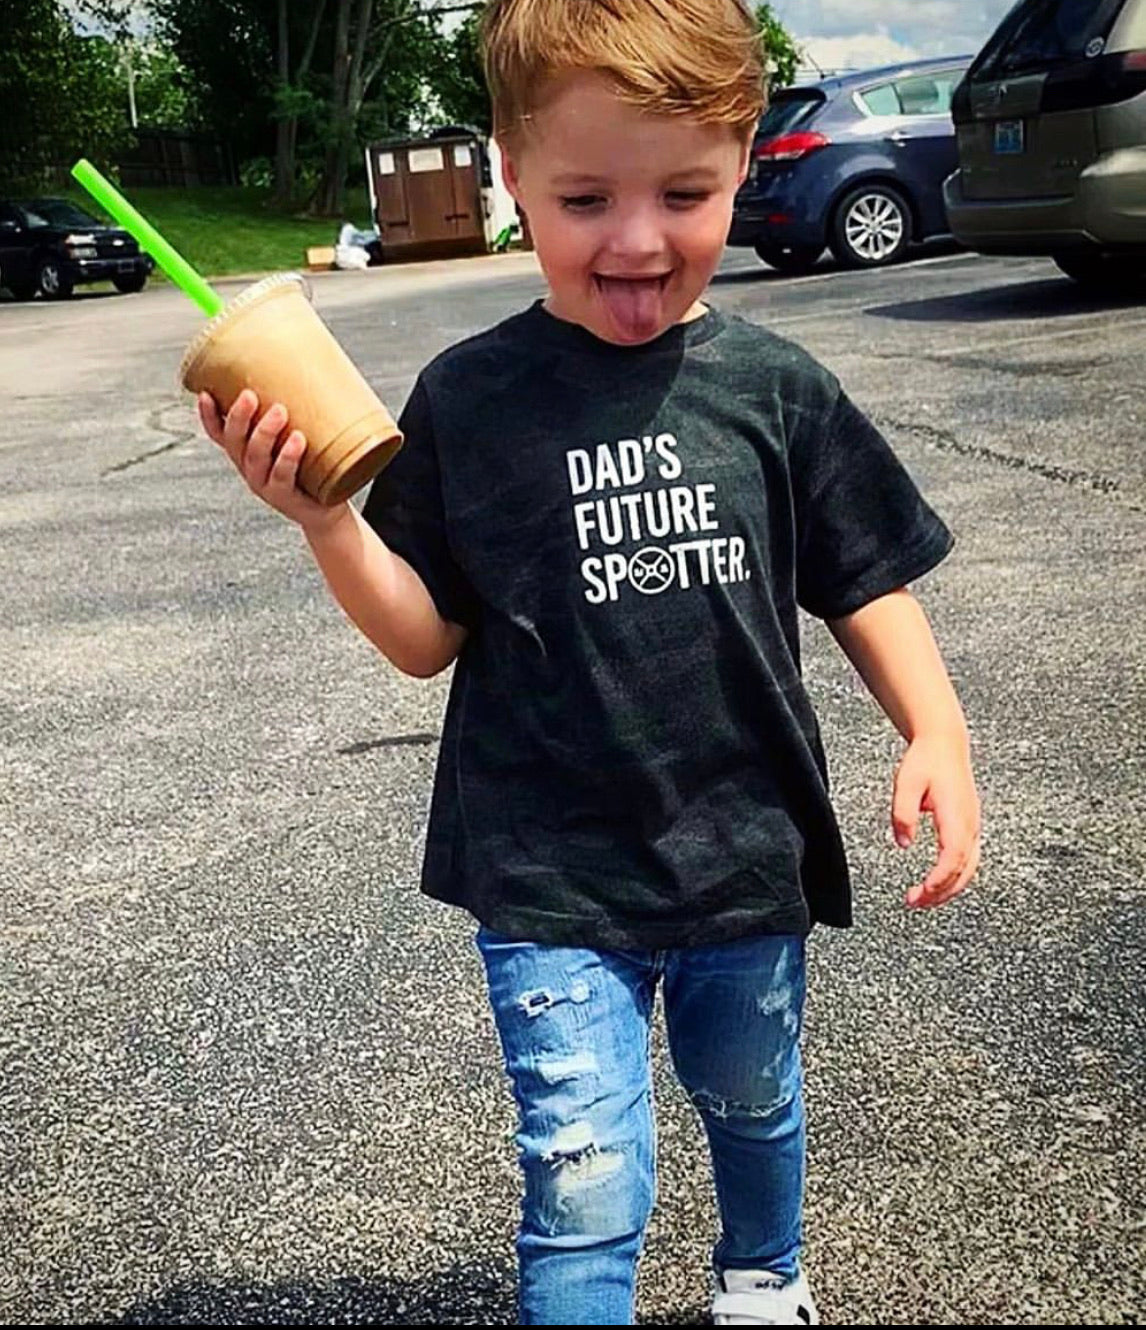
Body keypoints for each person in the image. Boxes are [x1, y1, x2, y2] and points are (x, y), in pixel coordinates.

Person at [196, 1, 982, 1322]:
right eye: (581, 196)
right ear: (510, 178)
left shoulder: (774, 388)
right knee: (582, 1169)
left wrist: (936, 730)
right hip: (549, 866)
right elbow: (419, 637)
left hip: (743, 847)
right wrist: (326, 519)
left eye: (683, 191)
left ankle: (761, 1277)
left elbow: (862, 573)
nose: (634, 237)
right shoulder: (468, 398)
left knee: (752, 1091)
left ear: (742, 163)